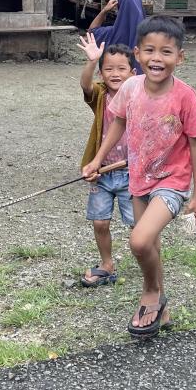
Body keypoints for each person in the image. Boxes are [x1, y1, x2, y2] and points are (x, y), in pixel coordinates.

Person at [82, 15, 196, 337]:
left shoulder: (185, 96)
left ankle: (151, 294)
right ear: (138, 54)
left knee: (138, 240)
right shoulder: (129, 88)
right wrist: (97, 159)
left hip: (172, 181)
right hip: (138, 179)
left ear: (180, 57)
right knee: (149, 244)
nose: (157, 58)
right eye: (150, 50)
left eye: (166, 52)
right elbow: (119, 124)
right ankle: (161, 308)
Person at [76, 33, 137, 288]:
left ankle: (149, 263)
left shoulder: (138, 96)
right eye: (108, 69)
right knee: (100, 221)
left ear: (132, 73)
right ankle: (107, 264)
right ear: (102, 74)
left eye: (121, 68)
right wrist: (92, 62)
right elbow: (85, 85)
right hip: (100, 172)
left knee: (138, 225)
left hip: (131, 173)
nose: (115, 73)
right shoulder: (100, 94)